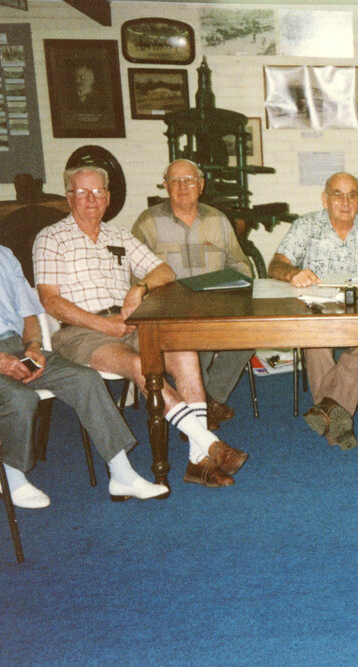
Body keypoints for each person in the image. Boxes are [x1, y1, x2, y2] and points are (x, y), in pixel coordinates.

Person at [33, 166, 248, 489]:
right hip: (79, 331)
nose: (92, 199)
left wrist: (139, 289)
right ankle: (209, 443)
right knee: (139, 365)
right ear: (69, 197)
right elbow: (50, 301)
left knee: (185, 352)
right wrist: (102, 324)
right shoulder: (51, 238)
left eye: (99, 192)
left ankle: (198, 461)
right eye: (82, 192)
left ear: (108, 197)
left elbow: (164, 271)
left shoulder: (118, 235)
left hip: (129, 323)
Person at [0, 171, 167, 507]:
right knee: (21, 398)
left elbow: (29, 314)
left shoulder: (1, 255)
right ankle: (9, 475)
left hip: (14, 347)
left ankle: (121, 473)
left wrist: (34, 347)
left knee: (84, 379)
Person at [268, 172, 358, 450]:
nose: (345, 201)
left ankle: (325, 411)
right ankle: (336, 417)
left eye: (352, 195)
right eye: (337, 194)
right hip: (317, 305)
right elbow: (275, 265)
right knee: (315, 340)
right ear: (325, 199)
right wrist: (293, 274)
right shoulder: (305, 225)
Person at [132, 159, 253, 429]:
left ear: (201, 185)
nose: (183, 186)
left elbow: (239, 262)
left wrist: (239, 283)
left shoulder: (218, 220)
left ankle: (210, 398)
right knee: (197, 344)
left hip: (215, 304)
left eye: (189, 180)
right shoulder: (149, 221)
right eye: (175, 181)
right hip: (170, 311)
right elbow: (135, 273)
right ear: (165, 186)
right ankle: (202, 408)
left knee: (250, 335)